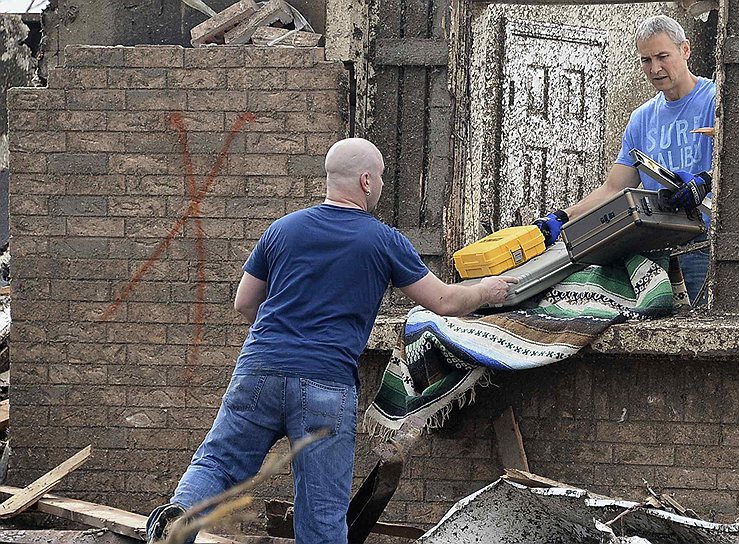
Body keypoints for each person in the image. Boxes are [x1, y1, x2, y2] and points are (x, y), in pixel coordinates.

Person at [145, 138, 516, 544]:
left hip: (259, 369)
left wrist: (280, 342)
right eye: (379, 179)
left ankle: (178, 517)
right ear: (365, 180)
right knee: (321, 513)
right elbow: (444, 301)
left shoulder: (282, 230)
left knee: (219, 462)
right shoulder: (383, 240)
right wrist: (488, 290)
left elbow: (244, 303)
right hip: (326, 384)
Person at [534, 14, 716, 305]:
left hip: (701, 245)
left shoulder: (715, 99)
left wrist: (706, 182)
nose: (655, 68)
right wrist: (563, 218)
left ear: (685, 50)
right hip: (652, 246)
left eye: (662, 56)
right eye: (646, 60)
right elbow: (614, 188)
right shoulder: (641, 118)